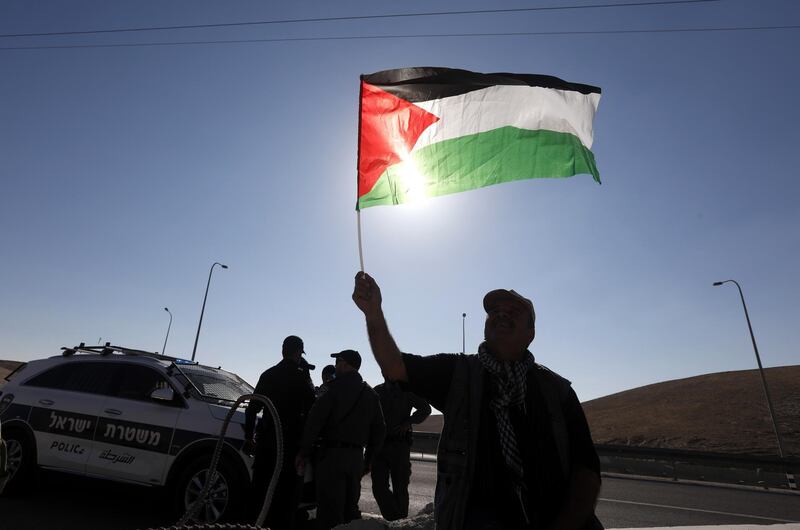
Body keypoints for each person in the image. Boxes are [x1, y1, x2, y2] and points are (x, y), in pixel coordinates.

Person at [352, 272, 602, 530]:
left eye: (514, 311)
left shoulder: (557, 391)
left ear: (531, 332)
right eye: (494, 311)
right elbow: (395, 366)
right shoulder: (459, 374)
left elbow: (586, 469)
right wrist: (373, 313)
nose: (502, 314)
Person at [297, 349, 385, 530]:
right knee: (350, 511)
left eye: (338, 362)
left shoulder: (332, 389)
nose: (336, 366)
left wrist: (304, 452)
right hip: (355, 460)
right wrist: (368, 461)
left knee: (330, 512)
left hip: (331, 458)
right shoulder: (370, 394)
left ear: (346, 364)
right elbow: (379, 431)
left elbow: (314, 422)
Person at [244, 335, 316, 530]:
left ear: (282, 351)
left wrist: (248, 438)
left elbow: (252, 409)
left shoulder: (269, 374)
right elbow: (313, 409)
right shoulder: (302, 378)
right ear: (298, 353)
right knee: (287, 498)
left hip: (267, 443)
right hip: (290, 446)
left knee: (260, 492)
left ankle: (256, 525)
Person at [371, 380, 431, 520]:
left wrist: (408, 422)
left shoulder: (407, 391)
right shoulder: (377, 391)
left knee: (400, 488)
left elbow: (425, 409)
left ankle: (400, 522)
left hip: (399, 446)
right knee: (379, 488)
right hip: (379, 446)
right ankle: (396, 520)